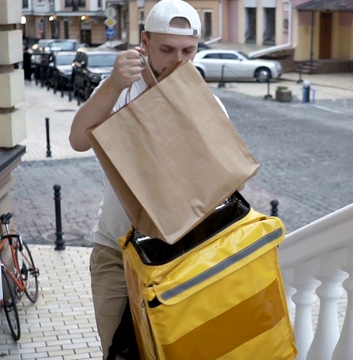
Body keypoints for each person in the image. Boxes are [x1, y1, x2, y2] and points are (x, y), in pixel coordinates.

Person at [69, 1, 217, 358]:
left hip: (180, 254)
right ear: (145, 42)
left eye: (187, 51)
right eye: (166, 49)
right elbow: (77, 139)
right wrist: (115, 83)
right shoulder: (119, 90)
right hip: (116, 251)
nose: (177, 60)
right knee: (119, 352)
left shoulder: (206, 102)